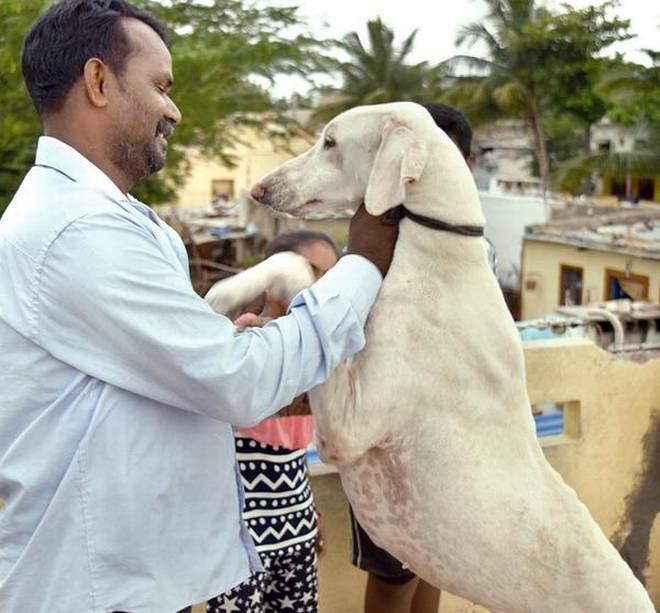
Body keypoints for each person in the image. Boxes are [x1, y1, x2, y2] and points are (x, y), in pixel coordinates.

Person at [0, 2, 398, 612]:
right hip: (93, 589)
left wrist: (213, 336)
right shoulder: (74, 230)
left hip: (126, 583)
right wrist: (363, 263)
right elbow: (240, 381)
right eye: (160, 87)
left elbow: (146, 370)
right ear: (99, 81)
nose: (174, 110)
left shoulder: (100, 218)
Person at [348, 101, 489, 613]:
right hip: (389, 440)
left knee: (441, 561)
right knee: (394, 575)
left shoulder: (474, 241)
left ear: (465, 165)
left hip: (451, 436)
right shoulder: (380, 235)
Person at [207, 230, 339, 613]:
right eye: (310, 270)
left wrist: (311, 512)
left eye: (331, 275)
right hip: (239, 537)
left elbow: (293, 451)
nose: (320, 284)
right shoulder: (243, 335)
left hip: (296, 529)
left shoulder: (315, 354)